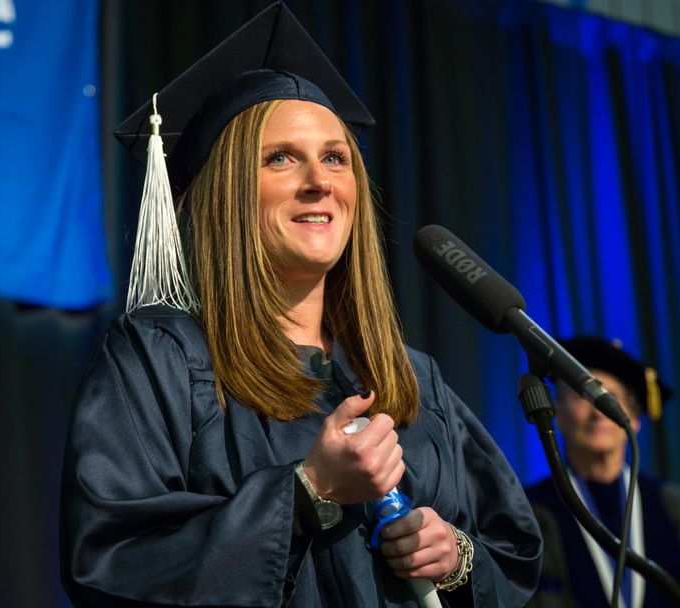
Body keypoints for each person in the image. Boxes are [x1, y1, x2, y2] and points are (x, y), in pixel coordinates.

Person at [60, 3, 541, 606]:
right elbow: (109, 563)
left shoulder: (412, 377)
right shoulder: (161, 358)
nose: (321, 180)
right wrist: (308, 492)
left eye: (336, 156)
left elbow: (511, 552)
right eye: (281, 157)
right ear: (229, 190)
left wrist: (454, 556)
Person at [525, 336, 680, 608]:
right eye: (580, 396)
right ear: (558, 414)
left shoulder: (674, 507)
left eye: (610, 398)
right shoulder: (530, 511)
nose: (598, 412)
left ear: (634, 419)